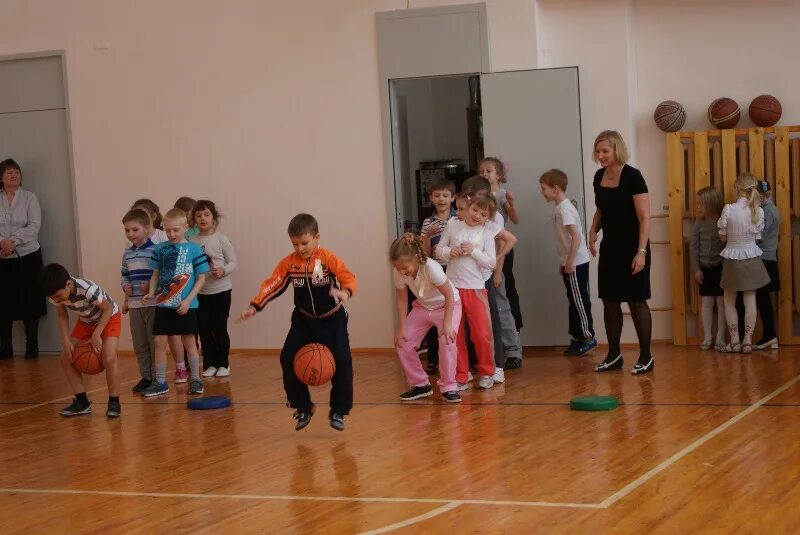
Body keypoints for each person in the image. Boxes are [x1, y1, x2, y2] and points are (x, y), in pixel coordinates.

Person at [239, 213, 356, 432]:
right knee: (287, 357)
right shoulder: (289, 264)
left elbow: (348, 278)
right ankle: (302, 406)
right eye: (295, 244)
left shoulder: (329, 258)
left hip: (332, 319)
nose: (300, 248)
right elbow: (273, 284)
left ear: (316, 237)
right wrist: (255, 305)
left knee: (342, 362)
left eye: (304, 243)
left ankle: (339, 411)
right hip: (304, 320)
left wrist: (345, 292)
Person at [588, 130, 654, 374]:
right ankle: (614, 355)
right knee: (610, 301)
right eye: (598, 151)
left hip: (634, 246)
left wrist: (641, 252)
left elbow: (645, 217)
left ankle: (646, 356)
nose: (601, 155)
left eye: (605, 151)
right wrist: (593, 231)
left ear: (617, 150)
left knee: (637, 301)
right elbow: (601, 210)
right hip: (611, 248)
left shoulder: (633, 177)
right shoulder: (598, 177)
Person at [141, 208, 210, 396]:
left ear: (186, 228)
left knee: (189, 341)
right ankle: (160, 382)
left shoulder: (194, 249)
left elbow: (201, 278)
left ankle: (195, 380)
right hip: (164, 304)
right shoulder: (160, 249)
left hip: (186, 305)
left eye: (176, 230)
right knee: (159, 341)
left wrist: (188, 300)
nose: (172, 234)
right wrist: (152, 292)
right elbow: (155, 273)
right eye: (168, 230)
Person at [39, 263, 122, 417]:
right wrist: (65, 340)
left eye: (58, 296)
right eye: (52, 298)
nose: (56, 299)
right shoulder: (55, 294)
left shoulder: (88, 289)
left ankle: (114, 401)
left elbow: (108, 309)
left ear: (68, 284)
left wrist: (97, 334)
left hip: (109, 317)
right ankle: (81, 401)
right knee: (66, 357)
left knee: (109, 358)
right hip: (86, 320)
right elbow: (62, 314)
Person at [436, 192, 497, 390]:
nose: (478, 215)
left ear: (488, 217)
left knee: (481, 334)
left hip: (476, 289)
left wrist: (473, 251)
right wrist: (449, 252)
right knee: (455, 334)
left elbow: (491, 263)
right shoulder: (453, 224)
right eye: (475, 210)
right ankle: (461, 375)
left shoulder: (487, 233)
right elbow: (438, 250)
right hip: (452, 289)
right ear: (468, 207)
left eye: (483, 213)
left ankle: (487, 371)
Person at [391, 234, 462, 403]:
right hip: (423, 307)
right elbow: (401, 299)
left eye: (405, 267)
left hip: (447, 305)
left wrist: (446, 323)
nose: (402, 271)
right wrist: (401, 328)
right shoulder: (398, 272)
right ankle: (420, 384)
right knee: (403, 341)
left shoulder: (431, 268)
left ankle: (449, 386)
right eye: (398, 267)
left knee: (447, 340)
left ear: (416, 258)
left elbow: (449, 295)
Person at [539, 169, 597, 356]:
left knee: (579, 300)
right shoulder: (560, 207)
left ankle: (588, 337)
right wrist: (564, 261)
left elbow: (576, 237)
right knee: (574, 299)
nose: (542, 192)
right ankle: (579, 337)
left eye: (544, 189)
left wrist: (570, 261)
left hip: (576, 262)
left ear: (555, 189)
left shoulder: (564, 209)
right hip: (570, 262)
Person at [718, 173, 770, 354]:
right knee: (750, 300)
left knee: (729, 301)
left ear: (736, 189)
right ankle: (748, 341)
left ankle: (735, 341)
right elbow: (757, 238)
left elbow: (723, 237)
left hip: (732, 258)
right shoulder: (759, 211)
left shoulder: (728, 209)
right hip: (752, 258)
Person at [0, 159, 46, 359]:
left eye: (16, 172)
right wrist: (2, 242)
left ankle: (32, 346)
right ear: (1, 177)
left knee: (31, 299)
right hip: (2, 256)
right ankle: (5, 346)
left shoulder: (29, 197)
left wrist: (12, 242)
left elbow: (34, 226)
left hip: (28, 255)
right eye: (9, 172)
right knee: (3, 301)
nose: (14, 175)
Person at [190, 199, 237, 377]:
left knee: (219, 328)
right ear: (194, 219)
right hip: (200, 293)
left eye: (207, 214)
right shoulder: (191, 241)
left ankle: (223, 364)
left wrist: (223, 270)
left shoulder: (221, 239)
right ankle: (209, 363)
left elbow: (233, 262)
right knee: (203, 329)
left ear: (214, 218)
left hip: (221, 292)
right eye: (199, 215)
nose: (203, 218)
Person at [479, 157, 523, 331]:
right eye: (481, 171)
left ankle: (514, 327)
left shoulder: (501, 194)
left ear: (498, 175)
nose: (484, 174)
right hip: (486, 247)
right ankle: (495, 328)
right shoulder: (480, 195)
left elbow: (515, 219)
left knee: (505, 285)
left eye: (488, 171)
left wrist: (511, 202)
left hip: (503, 246)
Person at [419, 178, 456, 374]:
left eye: (445, 195)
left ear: (453, 198)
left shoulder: (458, 219)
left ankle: (458, 360)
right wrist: (427, 236)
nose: (441, 199)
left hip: (454, 270)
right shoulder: (427, 222)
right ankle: (433, 360)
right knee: (435, 314)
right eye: (437, 196)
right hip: (435, 270)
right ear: (431, 199)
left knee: (454, 313)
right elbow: (424, 254)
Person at [121, 208, 158, 393]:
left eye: (135, 229)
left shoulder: (155, 251)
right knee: (140, 343)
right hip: (135, 304)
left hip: (151, 304)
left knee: (153, 343)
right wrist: (125, 287)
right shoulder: (127, 254)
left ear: (146, 228)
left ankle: (157, 378)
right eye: (127, 230)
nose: (130, 234)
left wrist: (151, 288)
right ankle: (146, 376)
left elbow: (161, 277)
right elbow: (124, 275)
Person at [690, 186, 726, 351]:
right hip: (704, 269)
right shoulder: (699, 223)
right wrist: (697, 269)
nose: (697, 206)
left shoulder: (722, 221)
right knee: (706, 302)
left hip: (721, 267)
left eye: (700, 203)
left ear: (711, 204)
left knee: (722, 302)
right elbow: (694, 248)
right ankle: (708, 336)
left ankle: (720, 337)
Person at [752, 180, 780, 349]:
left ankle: (769, 335)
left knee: (763, 299)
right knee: (764, 299)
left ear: (761, 195)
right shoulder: (772, 209)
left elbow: (760, 235)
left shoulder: (767, 212)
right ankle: (770, 336)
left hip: (765, 259)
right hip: (769, 259)